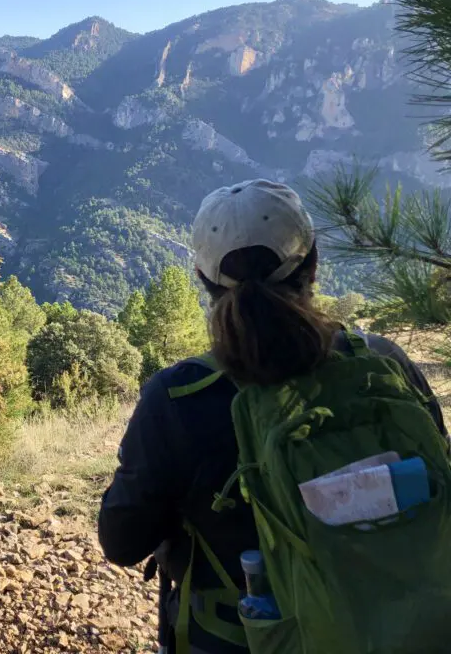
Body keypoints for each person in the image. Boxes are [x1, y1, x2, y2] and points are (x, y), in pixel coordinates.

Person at [97, 179, 448, 654]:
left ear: (202, 279)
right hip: (401, 631)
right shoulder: (384, 362)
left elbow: (121, 541)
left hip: (238, 640)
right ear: (314, 264)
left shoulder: (178, 398)